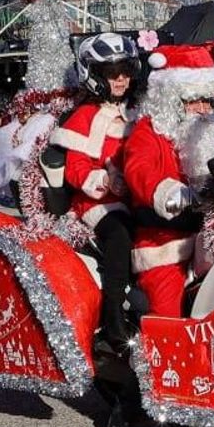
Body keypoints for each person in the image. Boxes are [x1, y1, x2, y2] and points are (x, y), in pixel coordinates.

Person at [121, 44, 214, 318]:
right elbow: (139, 169)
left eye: (208, 100)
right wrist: (168, 191)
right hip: (165, 242)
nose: (203, 110)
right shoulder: (149, 132)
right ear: (171, 101)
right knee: (167, 311)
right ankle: (157, 359)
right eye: (193, 101)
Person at [54, 33, 142, 356]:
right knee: (119, 236)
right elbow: (75, 167)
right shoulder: (84, 117)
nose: (120, 78)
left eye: (125, 69)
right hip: (99, 204)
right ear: (94, 75)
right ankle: (114, 317)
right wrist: (103, 179)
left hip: (138, 198)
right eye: (112, 71)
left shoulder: (137, 112)